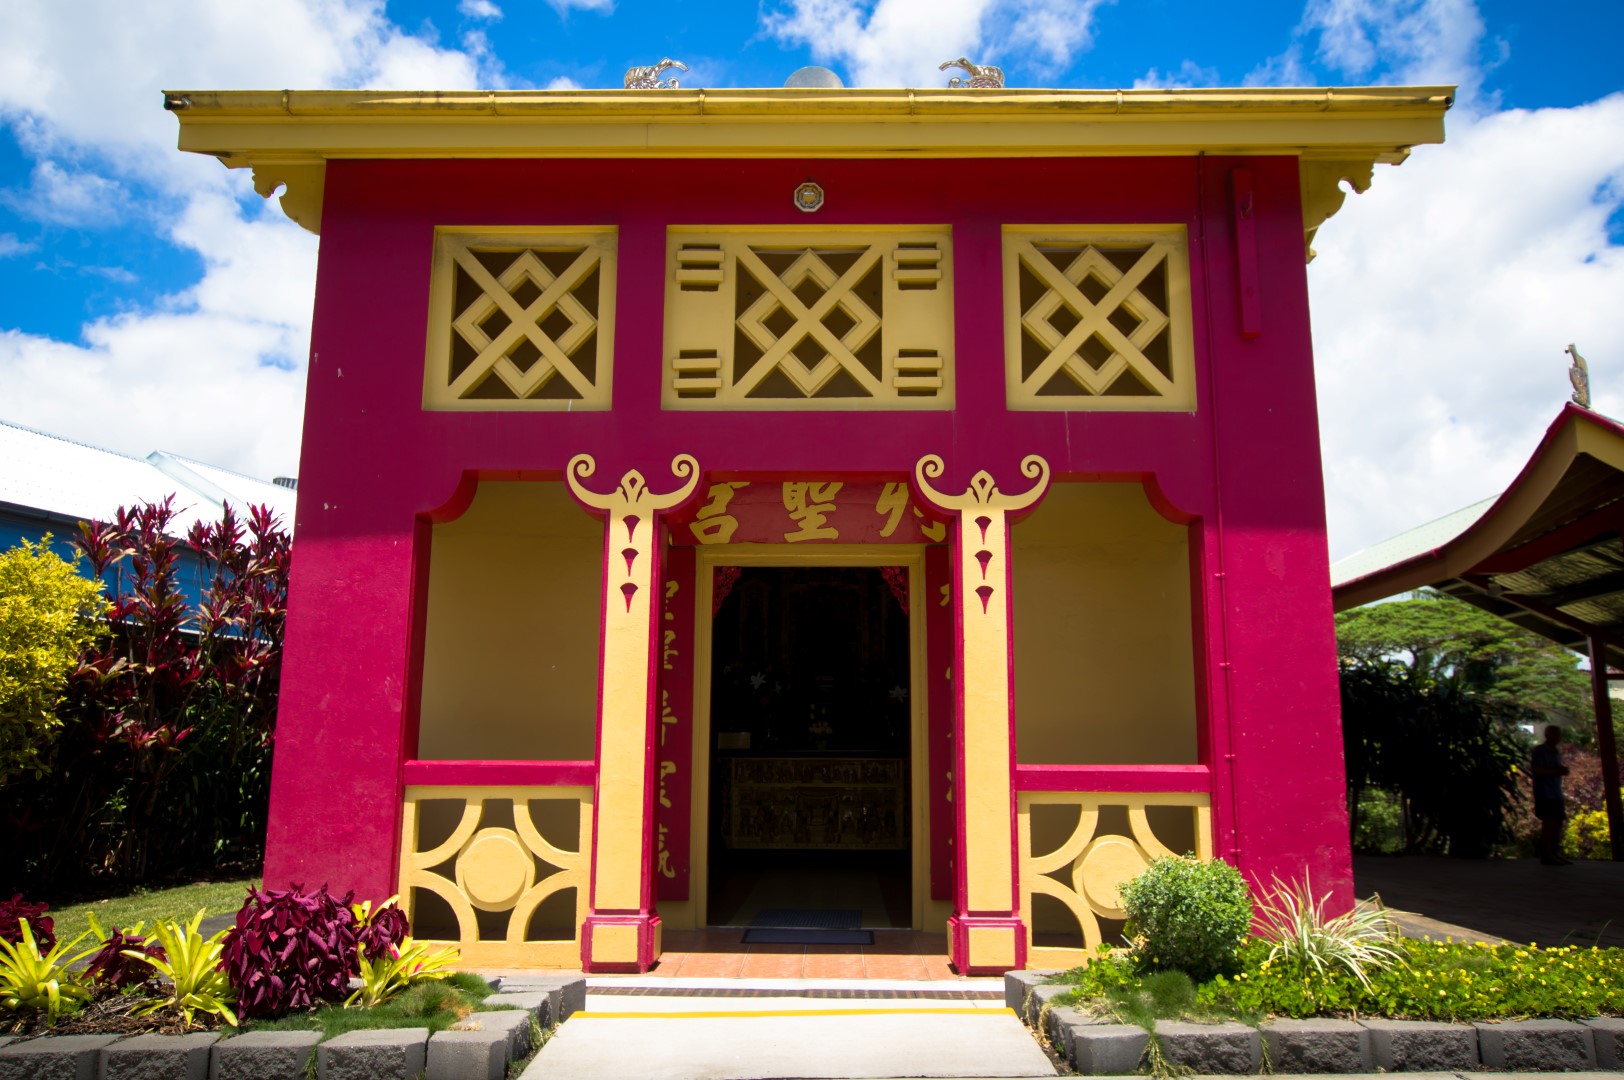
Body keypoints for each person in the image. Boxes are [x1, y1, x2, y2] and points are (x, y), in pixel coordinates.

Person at [1531, 724, 1571, 866]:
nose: (1557, 737)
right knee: (1548, 824)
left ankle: (1554, 853)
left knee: (1558, 824)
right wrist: (1557, 772)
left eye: (1558, 734)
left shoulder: (1555, 752)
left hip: (1556, 792)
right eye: (1555, 734)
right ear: (1547, 735)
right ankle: (1546, 855)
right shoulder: (1540, 751)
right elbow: (1538, 771)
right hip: (1545, 793)